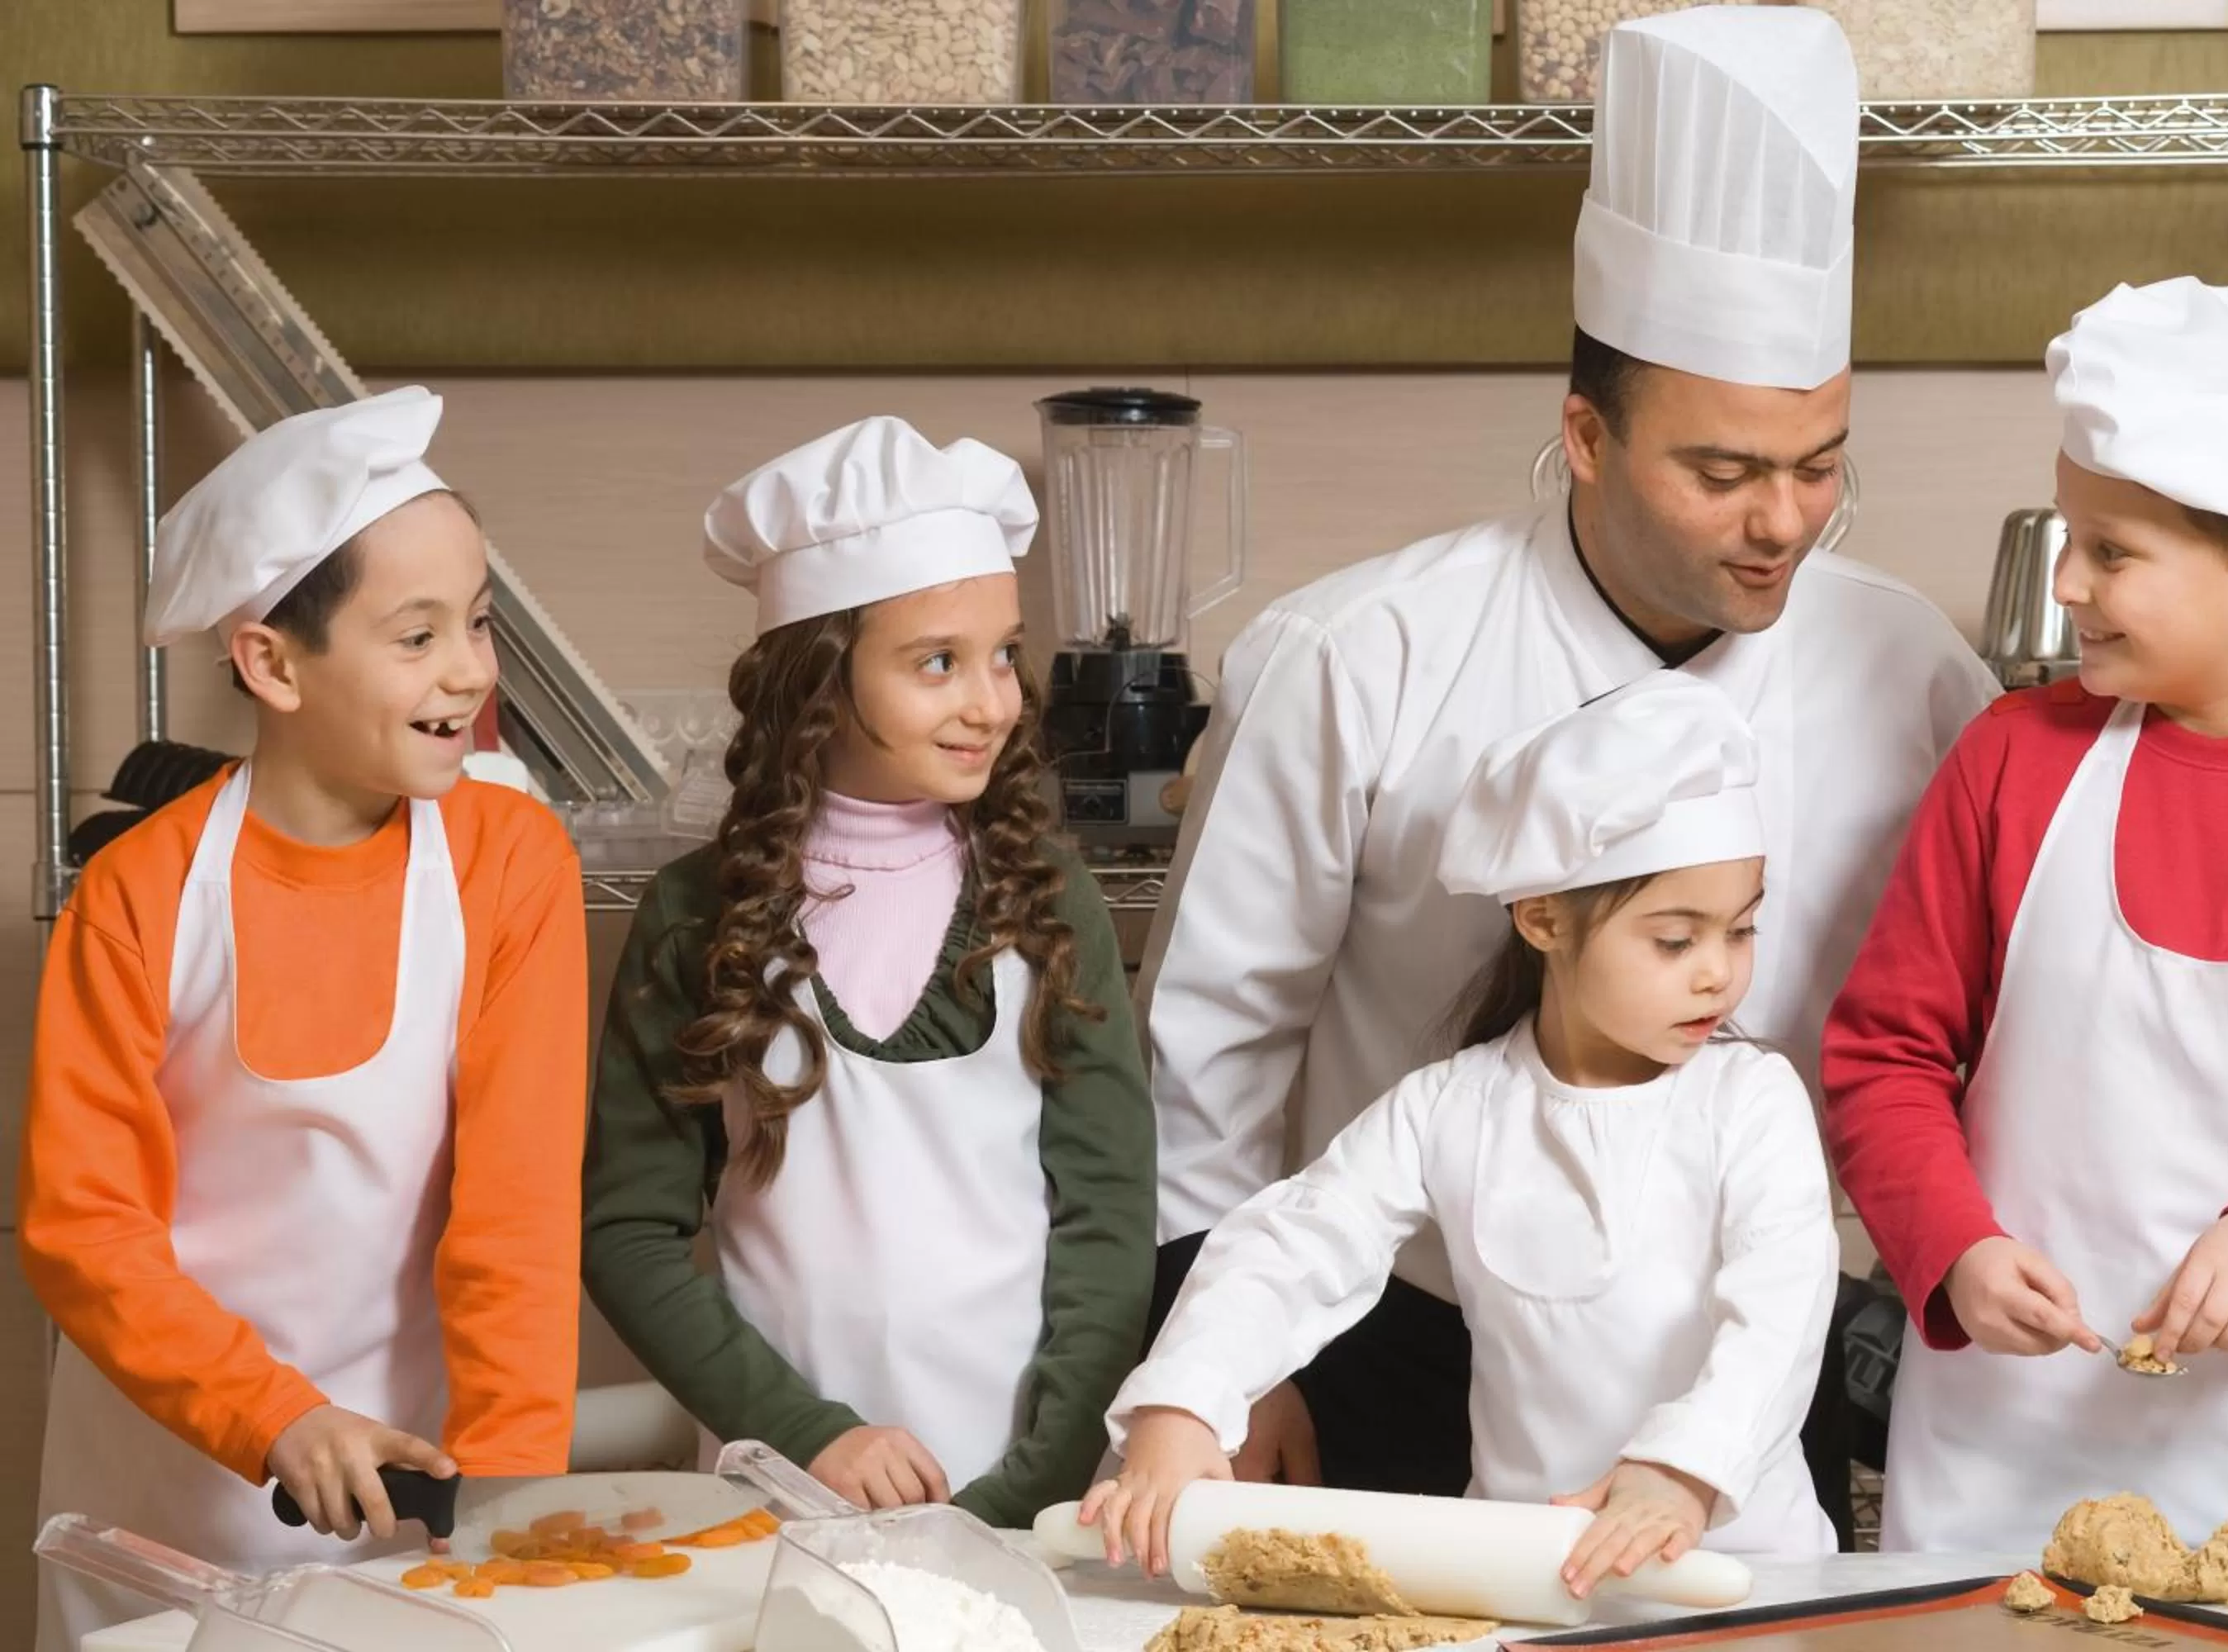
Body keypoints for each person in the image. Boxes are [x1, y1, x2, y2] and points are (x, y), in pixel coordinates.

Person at [1138, 3, 1993, 1499]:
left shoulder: (1915, 671)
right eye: (1721, 472)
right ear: (1586, 438)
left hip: (1741, 1350)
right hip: (1397, 1344)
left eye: (1817, 467)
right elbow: (1211, 1045)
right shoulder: (1359, 655)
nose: (1781, 521)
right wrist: (1234, 1371)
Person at [1824, 277, 2228, 1637]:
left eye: (2111, 552)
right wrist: (1951, 1248)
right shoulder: (2009, 762)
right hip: (2010, 1474)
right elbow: (1881, 1056)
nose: (2066, 584)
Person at [22, 388, 588, 1652]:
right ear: (272, 661)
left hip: (413, 1493)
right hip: (160, 1502)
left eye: (480, 623)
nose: (470, 673)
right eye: (416, 636)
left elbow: (519, 1208)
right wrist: (271, 1415)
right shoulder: (138, 894)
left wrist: (504, 1494)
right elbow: (86, 1230)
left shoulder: (510, 861)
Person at [1086, 674, 1837, 1593]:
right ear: (1543, 917)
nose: (1719, 974)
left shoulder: (1752, 1098)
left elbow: (1781, 1308)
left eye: (1743, 928)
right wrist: (1185, 1401)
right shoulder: (1450, 1108)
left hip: (1747, 1571)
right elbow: (1296, 1243)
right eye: (1675, 940)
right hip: (1531, 1577)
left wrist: (1681, 1470)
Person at [582, 416, 1156, 1529]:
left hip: (1027, 1502)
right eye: (937, 662)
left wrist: (1032, 1487)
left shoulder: (1045, 899)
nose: (991, 701)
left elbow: (1109, 1218)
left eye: (1003, 653)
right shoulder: (695, 917)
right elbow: (627, 1233)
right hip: (782, 1500)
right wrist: (809, 1436)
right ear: (820, 680)